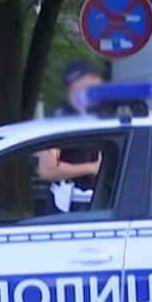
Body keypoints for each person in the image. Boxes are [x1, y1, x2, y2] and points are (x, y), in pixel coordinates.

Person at [36, 60, 105, 213]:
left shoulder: (100, 116)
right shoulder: (60, 120)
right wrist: (92, 168)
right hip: (71, 204)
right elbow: (47, 170)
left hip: (98, 202)